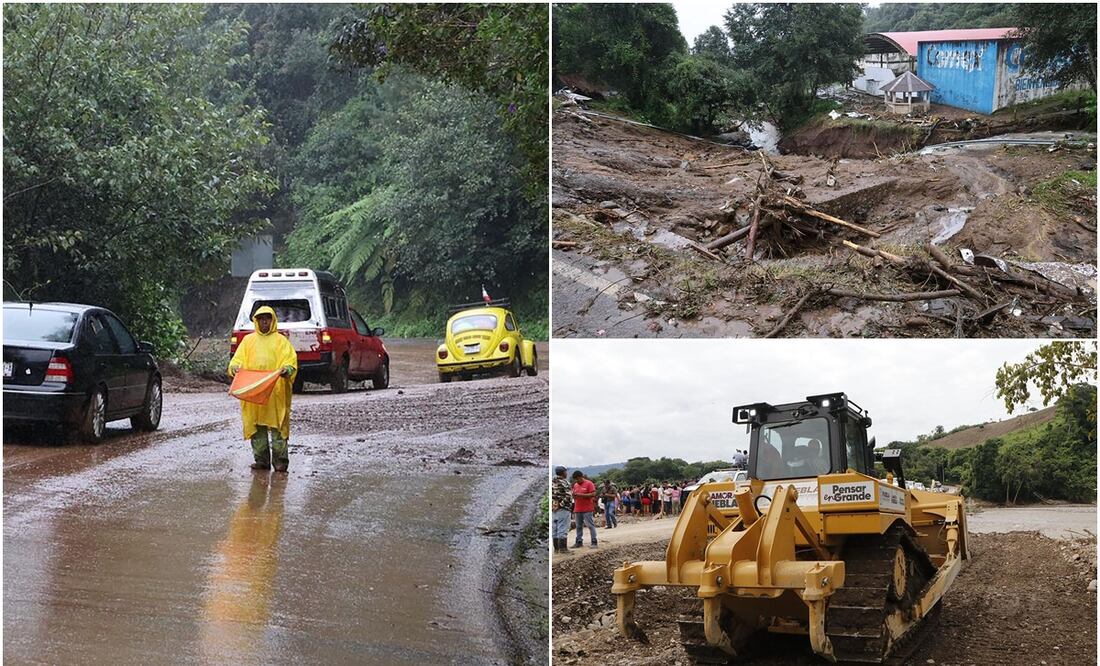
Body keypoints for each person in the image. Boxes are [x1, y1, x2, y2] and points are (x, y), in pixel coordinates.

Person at [228, 306, 298, 472]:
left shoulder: (281, 341)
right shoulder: (248, 341)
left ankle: (280, 462)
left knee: (278, 427)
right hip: (254, 394)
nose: (264, 321)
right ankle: (261, 460)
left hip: (275, 393)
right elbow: (235, 362)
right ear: (256, 321)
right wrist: (235, 369)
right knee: (257, 427)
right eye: (261, 318)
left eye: (267, 318)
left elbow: (291, 363)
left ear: (272, 320)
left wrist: (286, 371)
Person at [571, 470, 598, 548]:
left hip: (587, 509)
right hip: (578, 508)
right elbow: (574, 494)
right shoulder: (575, 485)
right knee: (578, 526)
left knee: (590, 525)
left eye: (577, 479)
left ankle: (594, 541)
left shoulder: (589, 483)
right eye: (575, 479)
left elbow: (593, 494)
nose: (576, 481)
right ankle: (579, 541)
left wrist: (580, 495)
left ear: (581, 477)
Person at [551, 466, 573, 554]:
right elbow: (568, 496)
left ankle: (556, 549)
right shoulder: (564, 482)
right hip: (563, 508)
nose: (566, 473)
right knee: (563, 528)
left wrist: (554, 505)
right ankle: (563, 549)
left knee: (555, 529)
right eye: (565, 472)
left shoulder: (552, 482)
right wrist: (560, 505)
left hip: (553, 508)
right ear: (563, 473)